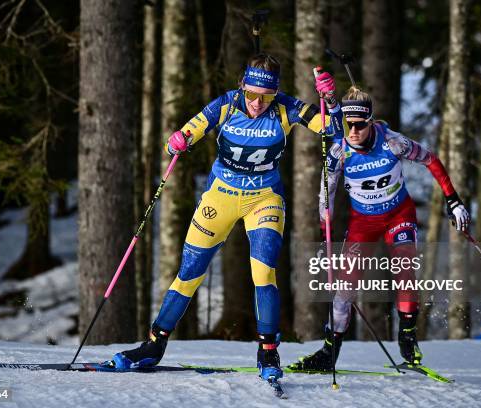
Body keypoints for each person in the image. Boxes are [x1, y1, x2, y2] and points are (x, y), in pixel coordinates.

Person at [107, 54, 344, 381]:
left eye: (266, 97)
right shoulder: (226, 105)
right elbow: (189, 130)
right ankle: (153, 346)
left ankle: (268, 353)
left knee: (264, 273)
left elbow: (334, 129)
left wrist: (330, 99)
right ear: (242, 86)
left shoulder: (287, 108)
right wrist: (179, 140)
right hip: (221, 196)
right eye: (251, 94)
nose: (257, 103)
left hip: (265, 199)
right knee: (189, 272)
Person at [290, 86, 470, 370]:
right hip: (363, 223)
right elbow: (328, 190)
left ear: (371, 121)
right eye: (349, 125)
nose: (353, 131)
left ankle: (407, 336)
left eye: (360, 125)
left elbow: (431, 160)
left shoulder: (393, 143)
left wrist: (453, 200)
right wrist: (325, 217)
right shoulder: (338, 150)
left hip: (399, 214)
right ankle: (329, 351)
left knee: (405, 267)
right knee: (344, 288)